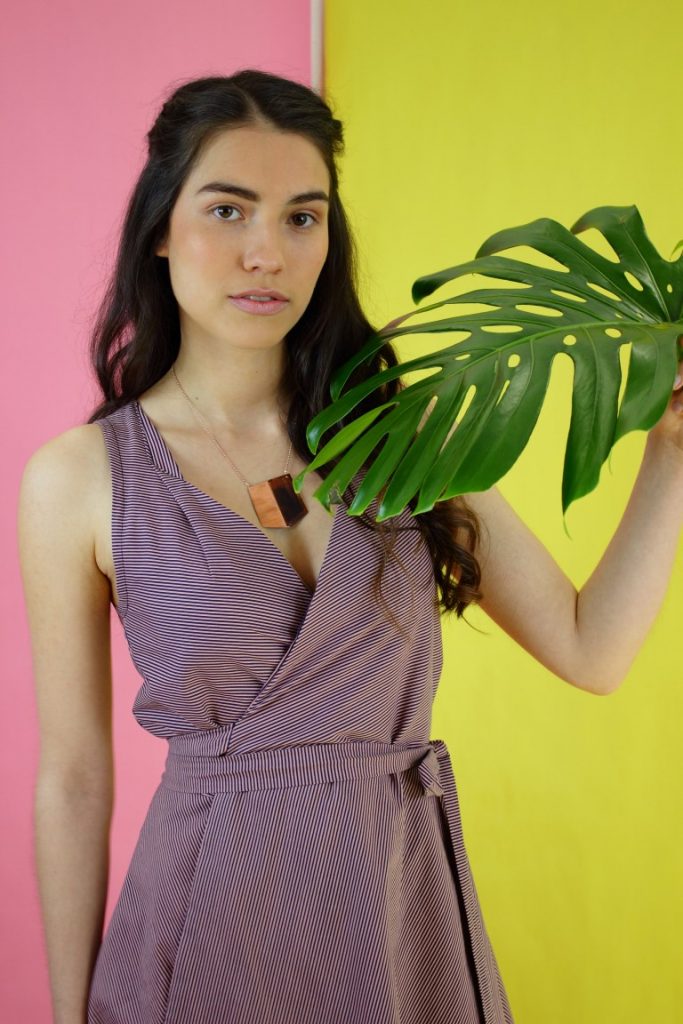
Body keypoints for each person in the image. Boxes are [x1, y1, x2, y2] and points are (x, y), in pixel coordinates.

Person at [17, 69, 683, 1024]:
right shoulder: (79, 479)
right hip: (206, 927)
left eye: (302, 217)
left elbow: (592, 648)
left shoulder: (406, 433)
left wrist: (668, 451)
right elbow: (75, 780)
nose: (266, 253)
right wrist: (66, 1011)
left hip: (400, 917)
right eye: (227, 210)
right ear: (160, 229)